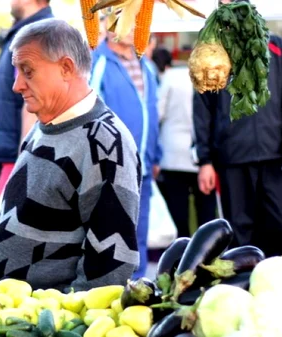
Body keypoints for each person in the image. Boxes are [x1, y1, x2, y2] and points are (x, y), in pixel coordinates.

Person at [0, 19, 140, 291]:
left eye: (28, 71)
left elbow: (110, 266)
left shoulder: (106, 143)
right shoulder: (46, 123)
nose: (17, 85)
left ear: (66, 68)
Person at [194, 0, 282, 258]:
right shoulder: (212, 53)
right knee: (238, 231)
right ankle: (242, 288)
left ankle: (277, 284)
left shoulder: (276, 47)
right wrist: (204, 160)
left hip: (274, 156)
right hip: (231, 157)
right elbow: (202, 108)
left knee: (279, 224)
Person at [90, 27, 160, 279]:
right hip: (112, 165)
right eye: (125, 22)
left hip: (145, 165)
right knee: (111, 230)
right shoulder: (98, 64)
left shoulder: (147, 68)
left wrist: (156, 155)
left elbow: (153, 115)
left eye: (136, 22)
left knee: (139, 230)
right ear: (108, 28)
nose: (133, 28)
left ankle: (138, 285)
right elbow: (92, 114)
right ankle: (109, 287)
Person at [0, 0, 53, 198]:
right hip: (11, 156)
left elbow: (33, 102)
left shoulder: (36, 34)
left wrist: (24, 164)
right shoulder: (27, 32)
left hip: (18, 160)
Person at [154, 48, 216, 238]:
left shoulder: (170, 78)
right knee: (206, 215)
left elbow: (158, 113)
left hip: (173, 154)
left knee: (178, 215)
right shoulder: (210, 78)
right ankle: (206, 258)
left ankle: (181, 258)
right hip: (203, 155)